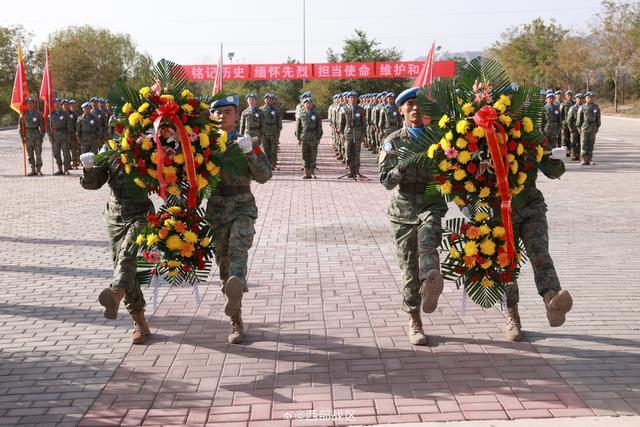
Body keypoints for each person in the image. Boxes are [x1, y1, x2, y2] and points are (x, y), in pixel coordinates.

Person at [379, 87, 447, 345]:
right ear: (401, 110)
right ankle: (414, 319)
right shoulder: (393, 141)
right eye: (409, 104)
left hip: (430, 203)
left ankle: (430, 282)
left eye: (419, 104)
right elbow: (385, 180)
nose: (415, 108)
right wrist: (400, 167)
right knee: (408, 266)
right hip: (403, 209)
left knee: (428, 239)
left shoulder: (438, 138)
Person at [207, 95, 273, 344]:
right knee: (224, 264)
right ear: (212, 116)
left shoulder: (248, 142)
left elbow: (265, 175)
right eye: (218, 112)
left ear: (237, 115)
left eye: (227, 112)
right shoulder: (204, 144)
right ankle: (236, 313)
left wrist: (250, 154)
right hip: (216, 208)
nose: (222, 116)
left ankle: (236, 314)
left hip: (243, 204)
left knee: (238, 248)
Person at [80, 148, 153, 344]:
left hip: (141, 213)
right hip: (115, 217)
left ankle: (116, 293)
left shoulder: (148, 144)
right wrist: (89, 170)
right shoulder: (110, 148)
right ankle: (139, 322)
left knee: (126, 257)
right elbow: (96, 182)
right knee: (124, 269)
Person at [503, 146, 574, 341]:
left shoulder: (529, 134)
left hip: (531, 206)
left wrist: (556, 158)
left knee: (540, 253)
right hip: (500, 209)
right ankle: (512, 316)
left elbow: (553, 172)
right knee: (507, 264)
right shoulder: (483, 132)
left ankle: (552, 302)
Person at [338, 92, 366, 178]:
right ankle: (350, 171)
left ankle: (357, 171)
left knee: (357, 153)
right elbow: (341, 123)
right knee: (348, 153)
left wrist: (363, 135)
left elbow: (364, 123)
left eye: (354, 98)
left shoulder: (360, 109)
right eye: (351, 98)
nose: (353, 99)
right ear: (348, 99)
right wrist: (342, 134)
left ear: (357, 99)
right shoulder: (344, 109)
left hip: (357, 133)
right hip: (348, 133)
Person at [295, 98, 323, 179]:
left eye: (310, 103)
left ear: (312, 104)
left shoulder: (316, 114)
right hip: (304, 137)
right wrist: (298, 137)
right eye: (307, 103)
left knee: (313, 155)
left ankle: (312, 171)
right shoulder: (301, 114)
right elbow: (298, 127)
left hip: (313, 137)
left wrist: (319, 137)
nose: (308, 105)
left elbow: (319, 126)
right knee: (304, 155)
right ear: (304, 104)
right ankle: (306, 173)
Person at [19, 98, 45, 176]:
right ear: (26, 104)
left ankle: (39, 170)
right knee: (30, 154)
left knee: (38, 154)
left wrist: (41, 136)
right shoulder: (23, 114)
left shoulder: (38, 114)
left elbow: (42, 127)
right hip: (27, 136)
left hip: (37, 135)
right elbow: (20, 127)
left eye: (31, 103)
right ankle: (32, 169)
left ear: (34, 104)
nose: (30, 105)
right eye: (28, 103)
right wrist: (22, 137)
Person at [575, 91, 601, 165]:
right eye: (589, 97)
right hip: (585, 127)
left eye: (592, 98)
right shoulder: (582, 107)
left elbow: (598, 118)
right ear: (585, 98)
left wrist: (597, 126)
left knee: (591, 144)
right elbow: (579, 119)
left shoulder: (596, 107)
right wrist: (579, 128)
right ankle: (583, 159)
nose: (590, 99)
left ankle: (589, 159)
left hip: (593, 128)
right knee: (583, 144)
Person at [48, 97, 71, 175]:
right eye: (55, 103)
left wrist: (68, 136)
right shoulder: (51, 114)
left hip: (64, 135)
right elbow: (48, 127)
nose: (57, 105)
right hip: (55, 136)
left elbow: (69, 126)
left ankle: (66, 169)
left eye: (58, 103)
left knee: (66, 153)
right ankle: (59, 169)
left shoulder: (65, 113)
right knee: (56, 153)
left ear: (60, 104)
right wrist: (50, 136)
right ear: (53, 104)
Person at [259, 93, 280, 170]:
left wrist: (278, 131)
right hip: (264, 132)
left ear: (273, 100)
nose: (269, 100)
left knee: (273, 149)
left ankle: (273, 164)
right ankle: (267, 164)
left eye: (271, 99)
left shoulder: (276, 109)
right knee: (265, 149)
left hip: (274, 132)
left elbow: (279, 121)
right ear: (264, 100)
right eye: (267, 99)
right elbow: (259, 121)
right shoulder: (261, 109)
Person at [567, 93, 584, 161]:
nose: (579, 100)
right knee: (573, 142)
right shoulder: (572, 108)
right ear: (576, 99)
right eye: (578, 99)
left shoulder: (584, 107)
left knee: (581, 142)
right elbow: (569, 120)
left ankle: (580, 155)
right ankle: (573, 155)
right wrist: (570, 128)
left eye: (581, 99)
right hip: (574, 128)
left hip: (582, 127)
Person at [65, 100, 81, 168]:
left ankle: (75, 163)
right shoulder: (61, 113)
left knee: (74, 149)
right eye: (65, 104)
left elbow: (77, 124)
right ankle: (68, 164)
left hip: (72, 134)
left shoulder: (74, 114)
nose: (66, 106)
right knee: (66, 150)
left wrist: (76, 133)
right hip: (64, 135)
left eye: (67, 104)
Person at [559, 90, 575, 156]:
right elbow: (560, 114)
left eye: (571, 95)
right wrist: (561, 123)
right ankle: (564, 152)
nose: (569, 96)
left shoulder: (574, 104)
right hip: (565, 123)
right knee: (564, 137)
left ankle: (571, 151)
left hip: (572, 124)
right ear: (566, 96)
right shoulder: (563, 104)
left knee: (572, 137)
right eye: (568, 95)